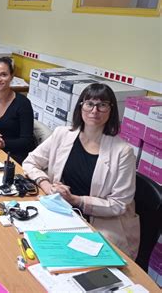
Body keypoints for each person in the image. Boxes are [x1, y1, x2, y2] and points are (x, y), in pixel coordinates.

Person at [22, 83, 140, 259]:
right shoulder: (62, 134)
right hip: (60, 212)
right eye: (89, 104)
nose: (94, 110)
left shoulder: (122, 152)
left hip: (98, 224)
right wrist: (47, 187)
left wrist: (76, 200)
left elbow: (119, 204)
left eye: (102, 105)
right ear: (81, 106)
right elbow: (30, 162)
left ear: (111, 110)